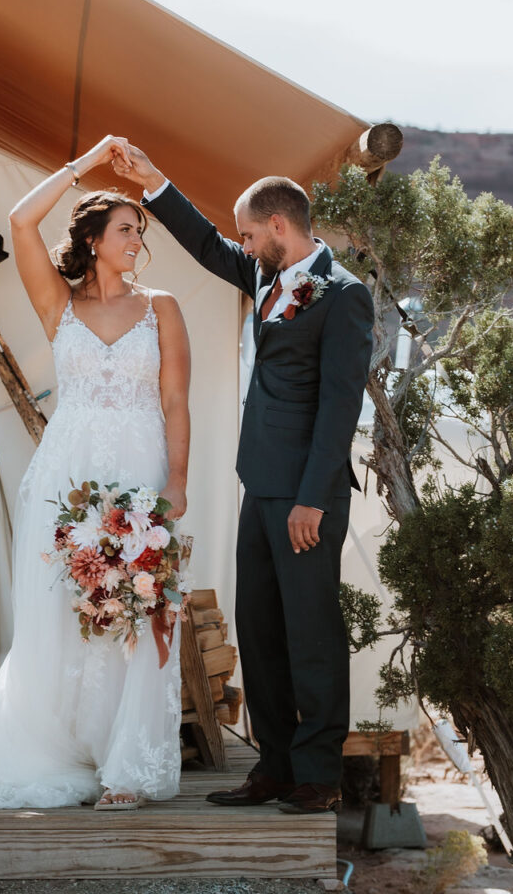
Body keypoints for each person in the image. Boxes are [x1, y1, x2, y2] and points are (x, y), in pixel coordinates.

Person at [112, 143, 373, 814]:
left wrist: (312, 498)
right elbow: (204, 243)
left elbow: (340, 404)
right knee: (258, 630)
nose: (243, 242)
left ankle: (317, 776)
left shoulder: (343, 297)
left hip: (307, 495)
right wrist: (155, 184)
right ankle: (276, 767)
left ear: (279, 228)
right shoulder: (266, 275)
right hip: (259, 484)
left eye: (250, 231)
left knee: (309, 633)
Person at [0, 136, 191, 810]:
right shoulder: (59, 306)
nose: (136, 240)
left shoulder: (161, 307)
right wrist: (85, 167)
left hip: (141, 474)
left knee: (138, 611)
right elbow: (22, 221)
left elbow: (174, 400)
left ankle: (126, 767)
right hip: (68, 478)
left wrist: (176, 482)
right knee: (67, 611)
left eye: (139, 231)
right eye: (124, 228)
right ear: (91, 239)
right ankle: (66, 747)